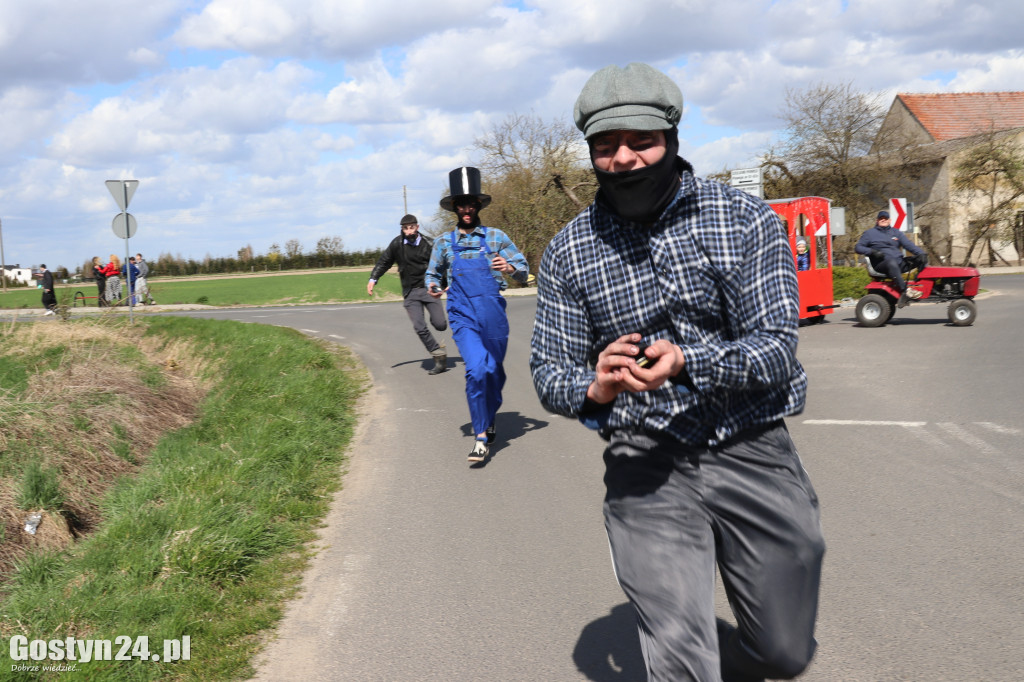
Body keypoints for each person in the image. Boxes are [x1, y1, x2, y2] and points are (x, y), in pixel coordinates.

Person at [530, 63, 825, 681]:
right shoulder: (568, 250)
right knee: (678, 648)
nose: (623, 159)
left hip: (751, 445)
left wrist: (691, 359)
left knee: (784, 652)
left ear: (672, 140)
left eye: (641, 141)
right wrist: (595, 385)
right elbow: (548, 371)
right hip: (645, 459)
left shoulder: (745, 220)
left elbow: (776, 349)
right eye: (605, 147)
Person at [426, 167, 528, 463]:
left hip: (493, 313)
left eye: (471, 204)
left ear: (479, 206)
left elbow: (524, 271)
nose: (467, 209)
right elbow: (432, 273)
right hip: (461, 313)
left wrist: (510, 269)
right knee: (476, 369)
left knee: (494, 370)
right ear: (455, 208)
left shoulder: (496, 237)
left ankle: (489, 412)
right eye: (461, 204)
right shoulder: (444, 243)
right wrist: (432, 285)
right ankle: (481, 435)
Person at [368, 214, 449, 375]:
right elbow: (384, 261)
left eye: (412, 227)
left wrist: (446, 285)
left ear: (417, 227)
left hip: (430, 289)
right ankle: (438, 355)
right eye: (406, 228)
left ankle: (437, 326)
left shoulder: (430, 243)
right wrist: (373, 278)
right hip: (410, 291)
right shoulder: (397, 244)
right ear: (402, 229)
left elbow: (442, 265)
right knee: (419, 326)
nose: (409, 230)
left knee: (440, 325)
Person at [855, 210, 927, 307]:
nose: (883, 220)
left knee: (920, 259)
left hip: (898, 263)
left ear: (889, 220)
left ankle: (922, 286)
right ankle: (905, 291)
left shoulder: (896, 233)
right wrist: (872, 252)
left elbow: (908, 245)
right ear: (877, 220)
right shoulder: (869, 233)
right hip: (881, 264)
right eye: (881, 218)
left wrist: (921, 254)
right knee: (891, 262)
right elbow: (858, 247)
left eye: (885, 218)